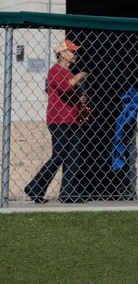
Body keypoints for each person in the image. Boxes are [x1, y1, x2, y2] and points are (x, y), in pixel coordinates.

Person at [25, 39, 89, 204]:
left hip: (74, 119)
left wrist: (80, 97)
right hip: (58, 119)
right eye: (72, 51)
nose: (75, 55)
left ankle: (68, 192)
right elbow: (66, 87)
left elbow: (71, 92)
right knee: (60, 154)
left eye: (76, 51)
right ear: (62, 53)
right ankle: (35, 187)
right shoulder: (55, 71)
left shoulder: (69, 73)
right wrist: (81, 75)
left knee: (73, 156)